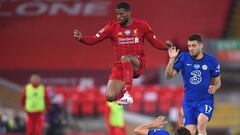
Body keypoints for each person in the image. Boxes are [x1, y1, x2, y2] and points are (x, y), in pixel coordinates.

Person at [74, 2, 172, 105]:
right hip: (120, 66)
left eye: (121, 14)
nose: (118, 17)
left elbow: (155, 42)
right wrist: (82, 38)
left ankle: (128, 94)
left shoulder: (142, 25)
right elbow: (94, 39)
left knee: (126, 58)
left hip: (137, 63)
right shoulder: (112, 27)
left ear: (129, 13)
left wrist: (167, 47)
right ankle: (123, 99)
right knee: (110, 96)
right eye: (116, 14)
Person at [165, 33, 221, 135]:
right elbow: (169, 75)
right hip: (188, 102)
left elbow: (218, 82)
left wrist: (215, 88)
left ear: (201, 45)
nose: (191, 48)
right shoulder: (183, 58)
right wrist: (172, 59)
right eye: (189, 46)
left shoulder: (211, 61)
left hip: (205, 100)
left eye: (194, 45)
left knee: (201, 123)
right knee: (190, 131)